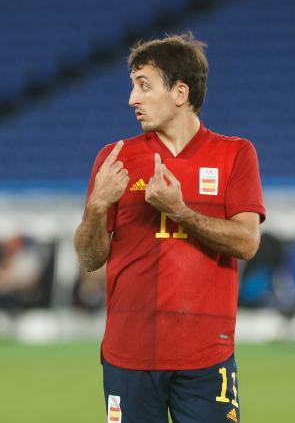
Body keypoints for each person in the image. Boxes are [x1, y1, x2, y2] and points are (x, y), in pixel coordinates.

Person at [74, 33, 265, 423]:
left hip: (206, 354)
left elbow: (247, 242)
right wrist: (96, 206)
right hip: (129, 353)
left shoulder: (234, 154)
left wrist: (180, 211)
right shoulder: (115, 159)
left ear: (180, 93)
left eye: (144, 86)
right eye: (133, 86)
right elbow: (90, 259)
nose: (133, 98)